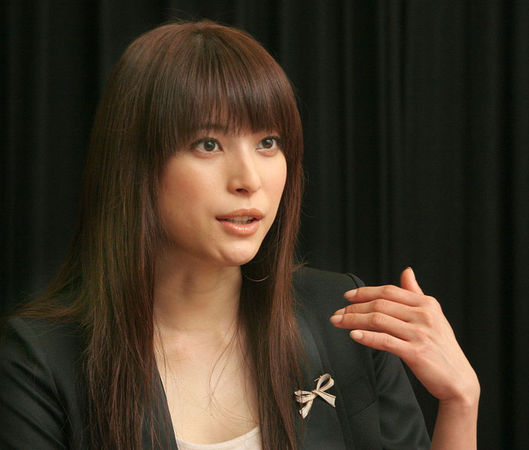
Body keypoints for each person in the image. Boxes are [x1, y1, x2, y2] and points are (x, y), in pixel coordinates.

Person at [0, 21, 479, 449]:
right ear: (136, 165)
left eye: (268, 142)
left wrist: (460, 402)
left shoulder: (347, 323)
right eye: (208, 144)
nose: (249, 179)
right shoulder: (41, 360)